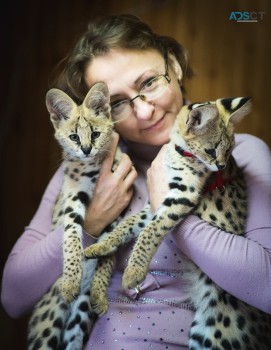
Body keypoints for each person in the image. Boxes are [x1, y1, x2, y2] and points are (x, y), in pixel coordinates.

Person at [2, 14, 271, 350]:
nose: (145, 112)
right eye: (115, 103)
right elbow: (13, 297)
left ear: (173, 66)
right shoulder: (87, 167)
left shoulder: (238, 154)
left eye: (148, 83)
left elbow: (268, 288)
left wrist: (172, 214)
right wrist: (89, 223)